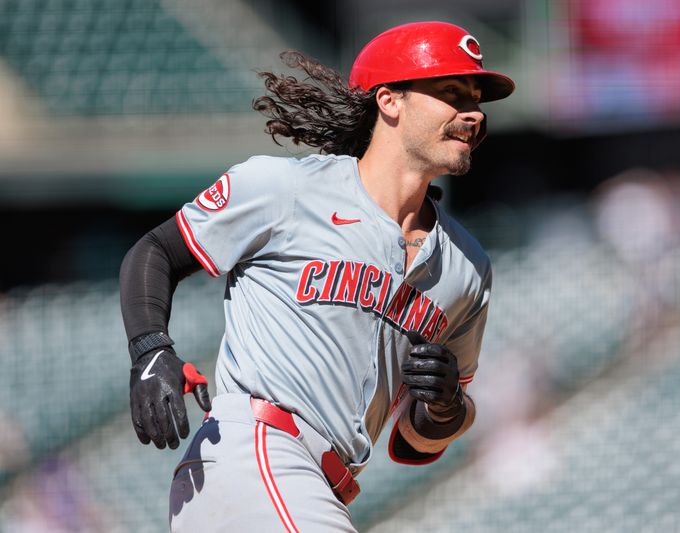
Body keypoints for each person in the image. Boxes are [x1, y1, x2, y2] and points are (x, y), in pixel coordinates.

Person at [119, 21, 514, 532]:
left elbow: (418, 441)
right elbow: (156, 250)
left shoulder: (467, 267)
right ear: (390, 101)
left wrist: (446, 406)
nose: (473, 113)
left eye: (477, 99)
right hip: (253, 455)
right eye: (452, 93)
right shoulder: (285, 190)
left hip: (319, 486)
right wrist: (151, 350)